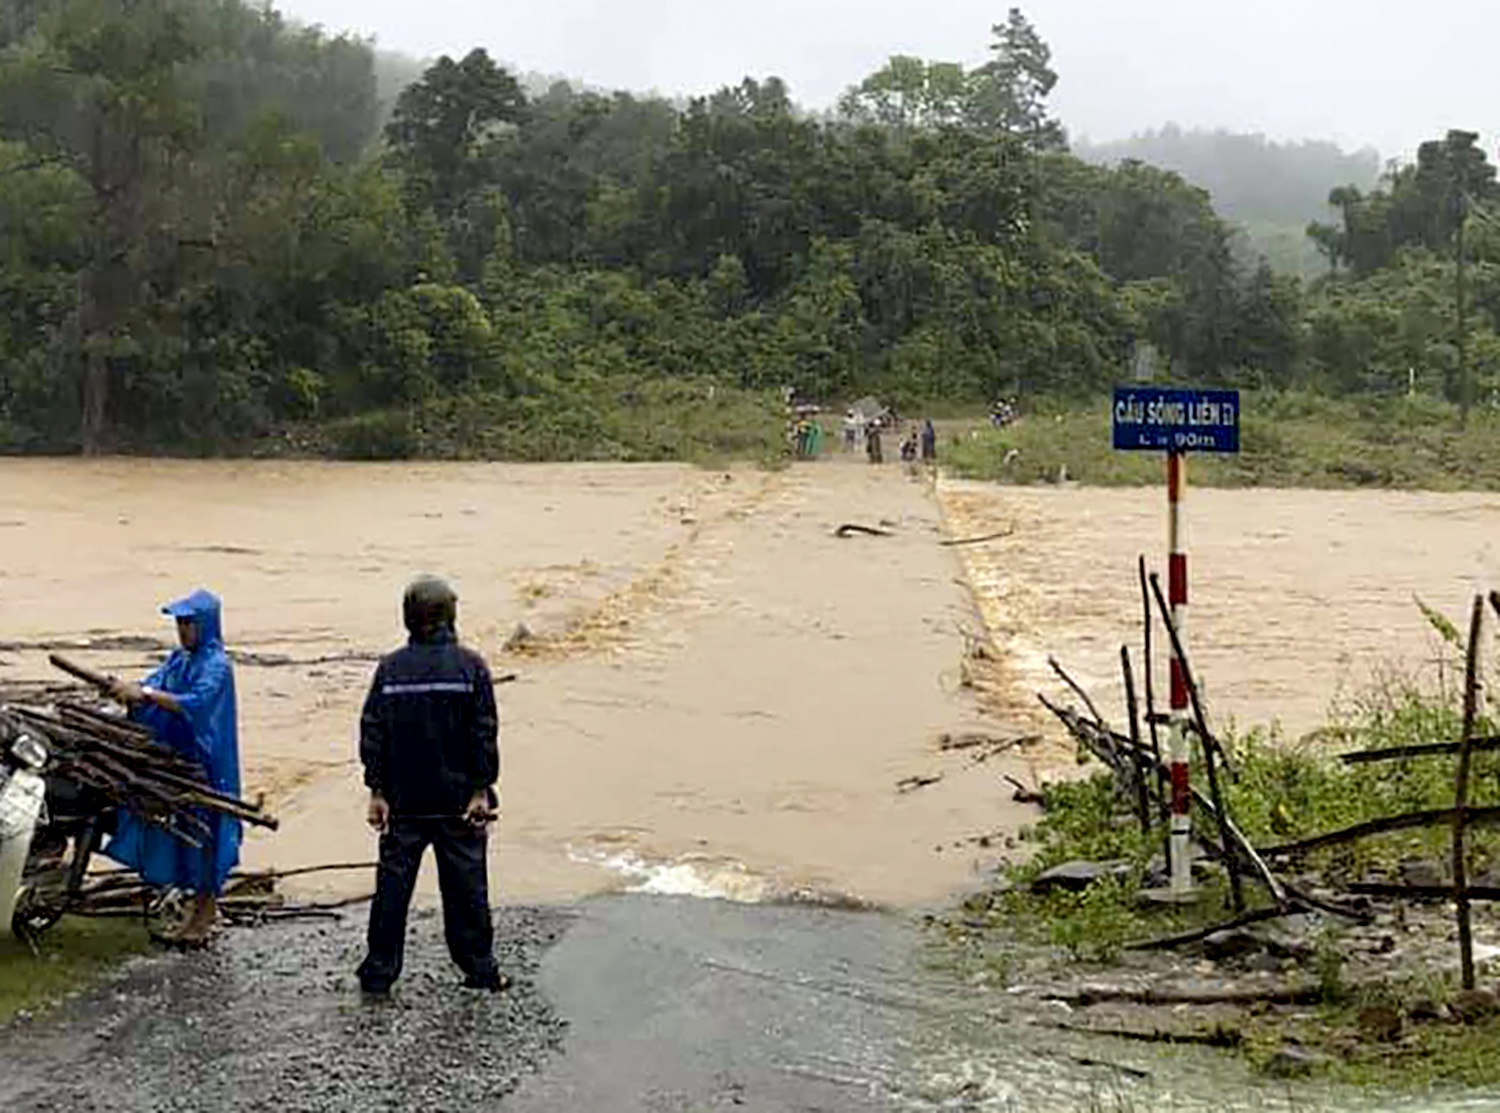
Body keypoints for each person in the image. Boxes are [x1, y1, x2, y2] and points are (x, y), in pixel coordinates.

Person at [356, 576, 504, 996]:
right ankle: (480, 970)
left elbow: (372, 733)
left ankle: (378, 973)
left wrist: (377, 790)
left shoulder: (390, 669)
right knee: (467, 892)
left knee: (392, 893)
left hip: (404, 803)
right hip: (457, 804)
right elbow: (483, 734)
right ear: (448, 615)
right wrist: (481, 790)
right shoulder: (471, 667)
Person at [105, 589, 242, 947]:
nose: (183, 631)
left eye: (188, 624)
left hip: (208, 764)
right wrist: (131, 691)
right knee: (183, 836)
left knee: (207, 836)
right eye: (179, 624)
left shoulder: (217, 666)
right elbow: (154, 682)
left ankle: (206, 913)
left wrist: (146, 696)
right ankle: (192, 908)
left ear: (206, 624)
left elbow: (195, 704)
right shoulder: (179, 659)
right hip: (177, 761)